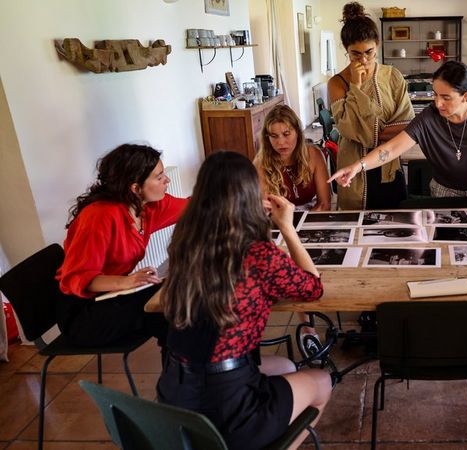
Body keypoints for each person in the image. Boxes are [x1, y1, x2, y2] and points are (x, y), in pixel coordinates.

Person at [155, 151, 331, 450]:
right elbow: (313, 287)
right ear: (250, 195)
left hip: (176, 391)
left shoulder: (185, 243)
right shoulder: (258, 254)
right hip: (229, 406)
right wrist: (287, 228)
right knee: (322, 382)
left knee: (287, 365)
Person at [329, 60, 467, 208]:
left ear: (465, 96)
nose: (438, 103)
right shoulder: (429, 117)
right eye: (435, 94)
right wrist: (357, 166)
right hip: (444, 192)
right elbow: (390, 149)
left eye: (446, 97)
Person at [56, 143, 188, 347]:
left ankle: (184, 371)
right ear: (135, 188)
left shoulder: (146, 207)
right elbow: (76, 279)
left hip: (111, 296)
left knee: (178, 298)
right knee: (170, 311)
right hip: (83, 313)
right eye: (159, 177)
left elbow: (194, 207)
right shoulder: (98, 217)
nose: (167, 180)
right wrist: (126, 282)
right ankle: (181, 374)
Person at [328, 2, 415, 210]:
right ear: (346, 50)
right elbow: (347, 128)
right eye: (355, 54)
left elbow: (408, 126)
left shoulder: (392, 76)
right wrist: (356, 87)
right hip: (352, 164)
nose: (364, 59)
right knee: (355, 225)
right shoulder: (337, 82)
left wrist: (366, 133)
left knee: (395, 223)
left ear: (378, 44)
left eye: (369, 51)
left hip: (389, 162)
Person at [254, 104, 331, 211]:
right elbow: (267, 211)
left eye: (286, 134)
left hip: (311, 217)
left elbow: (324, 204)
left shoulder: (314, 155)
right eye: (274, 136)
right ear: (267, 138)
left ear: (298, 133)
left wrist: (299, 226)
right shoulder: (260, 163)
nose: (281, 142)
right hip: (278, 220)